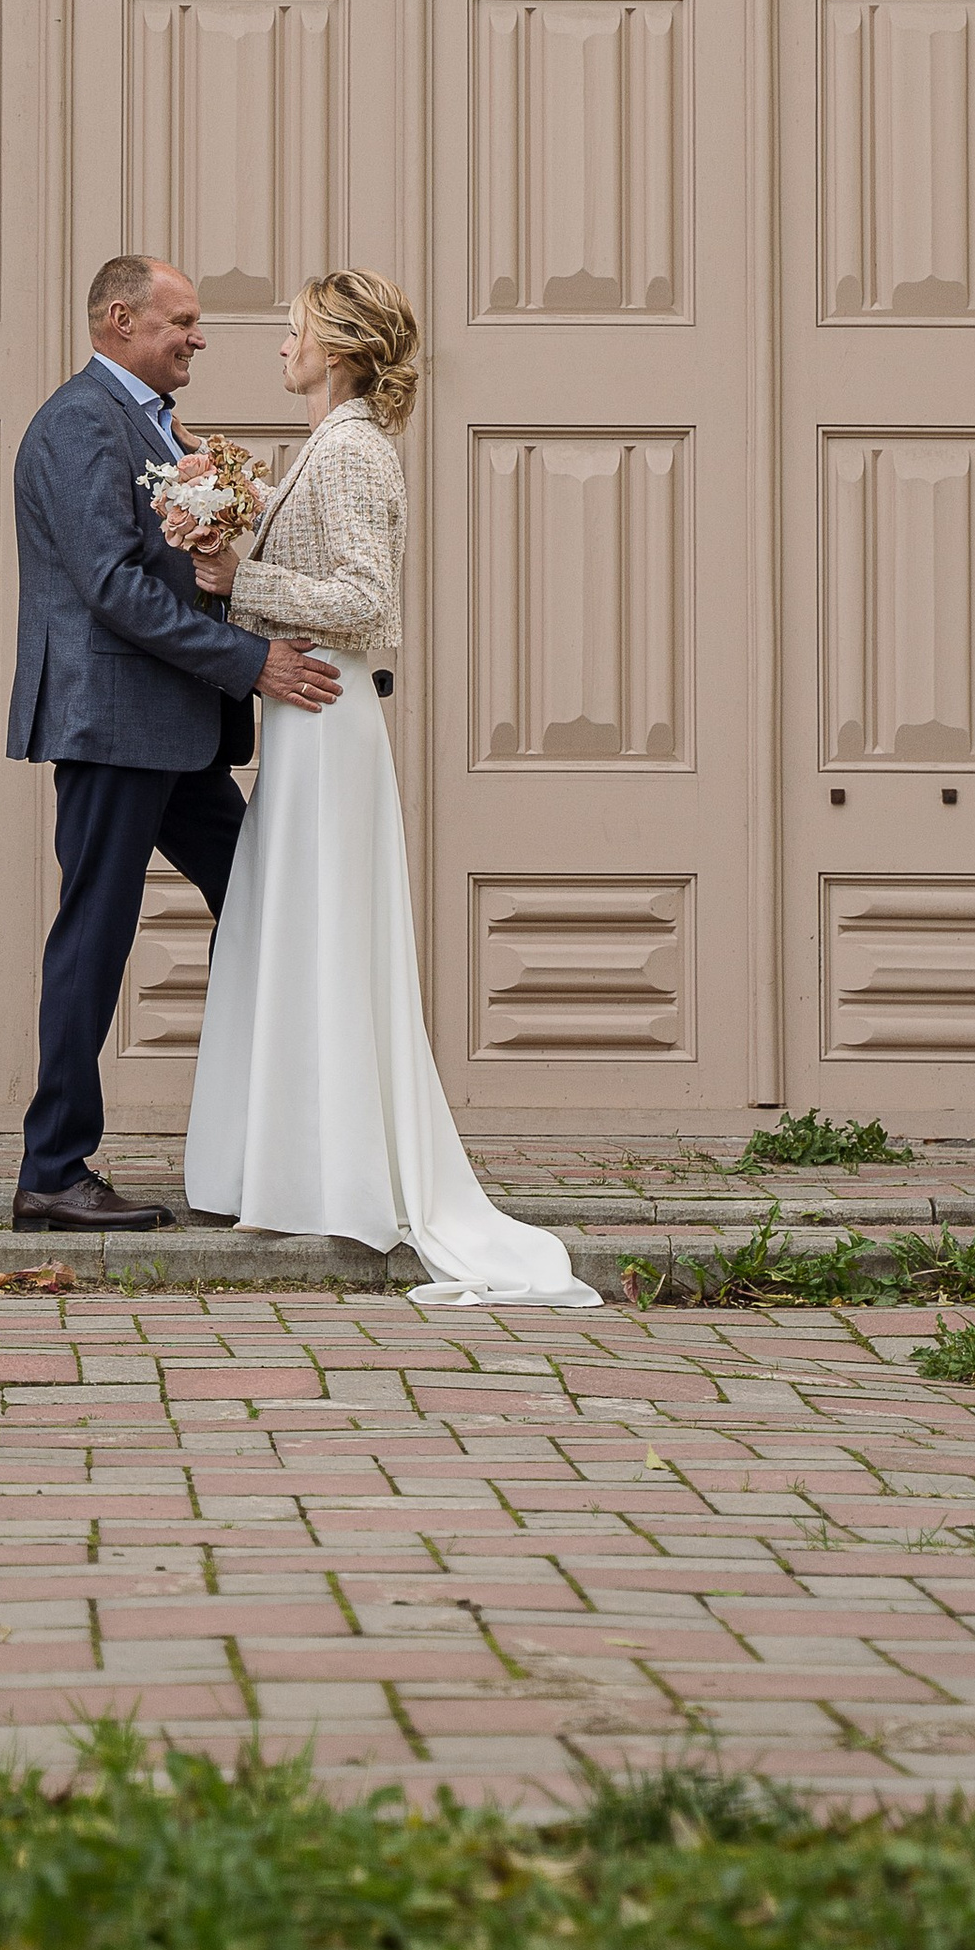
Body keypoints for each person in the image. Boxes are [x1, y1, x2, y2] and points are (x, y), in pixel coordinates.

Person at [171, 269, 598, 1309]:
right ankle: (291, 1163)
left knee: (327, 935)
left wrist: (240, 584)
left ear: (343, 345)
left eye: (295, 330)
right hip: (305, 720)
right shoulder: (327, 447)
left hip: (330, 715)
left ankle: (333, 1171)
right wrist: (233, 513)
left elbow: (367, 600)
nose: (279, 344)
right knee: (297, 934)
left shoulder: (356, 449)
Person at [6, 253, 341, 1234]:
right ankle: (52, 1170)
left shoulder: (151, 424)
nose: (198, 336)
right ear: (119, 320)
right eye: (180, 321)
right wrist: (250, 664)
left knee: (268, 906)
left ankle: (297, 1141)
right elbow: (110, 588)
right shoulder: (78, 423)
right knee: (95, 939)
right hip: (113, 725)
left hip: (177, 730)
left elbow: (172, 564)